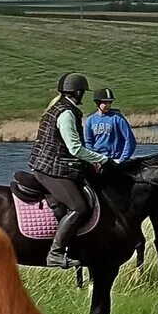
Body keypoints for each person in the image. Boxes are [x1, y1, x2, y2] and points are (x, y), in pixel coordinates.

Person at [29, 72, 109, 268]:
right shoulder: (66, 114)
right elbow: (74, 148)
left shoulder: (56, 108)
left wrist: (89, 163)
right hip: (52, 169)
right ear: (77, 92)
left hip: (48, 164)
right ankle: (55, 253)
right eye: (83, 92)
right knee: (79, 207)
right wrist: (102, 159)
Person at [84, 86, 138, 162]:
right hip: (98, 160)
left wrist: (122, 159)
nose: (108, 105)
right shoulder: (90, 120)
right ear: (97, 102)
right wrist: (93, 158)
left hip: (115, 159)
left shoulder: (118, 118)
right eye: (105, 103)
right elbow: (88, 142)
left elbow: (129, 139)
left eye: (110, 102)